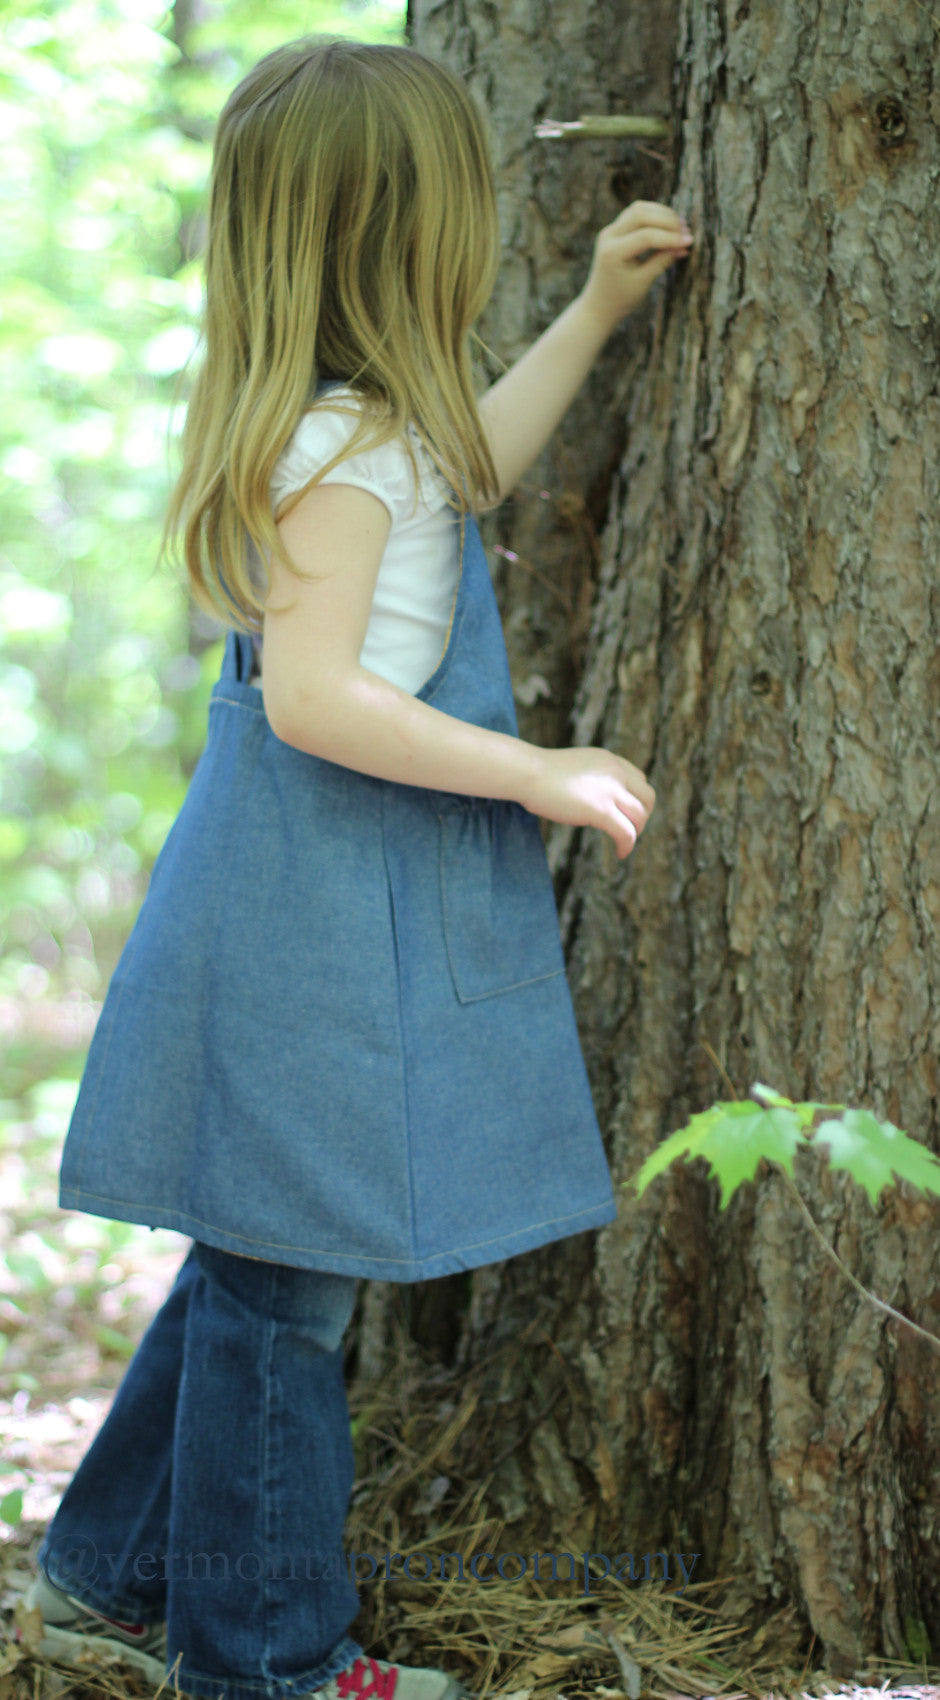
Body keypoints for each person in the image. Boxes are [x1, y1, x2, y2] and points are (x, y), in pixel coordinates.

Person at [25, 34, 692, 1700]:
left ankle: (106, 1573)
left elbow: (464, 466)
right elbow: (321, 701)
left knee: (258, 1252)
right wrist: (534, 767)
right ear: (400, 238)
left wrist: (596, 315)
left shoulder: (364, 435)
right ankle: (264, 1658)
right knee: (289, 1296)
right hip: (317, 907)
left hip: (310, 893)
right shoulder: (335, 459)